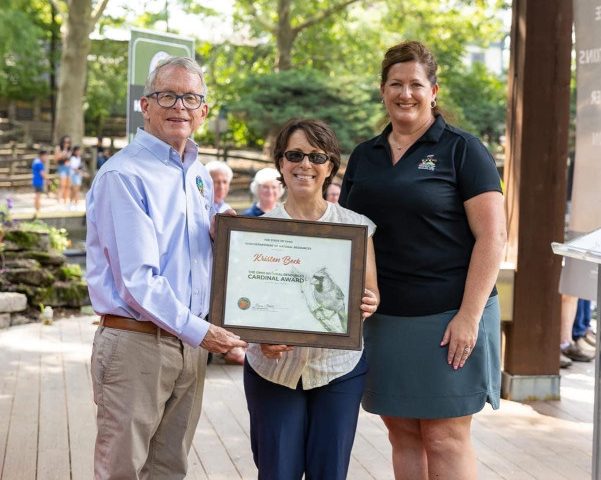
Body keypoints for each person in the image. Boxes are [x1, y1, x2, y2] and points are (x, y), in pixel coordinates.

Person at [339, 40, 506, 480]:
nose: (405, 93)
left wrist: (469, 316)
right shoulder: (363, 156)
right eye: (396, 83)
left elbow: (493, 236)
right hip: (386, 318)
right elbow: (348, 235)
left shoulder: (462, 150)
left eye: (416, 84)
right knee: (403, 433)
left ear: (433, 90)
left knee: (444, 436)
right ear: (382, 90)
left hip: (450, 316)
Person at [86, 56, 247, 479]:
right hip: (137, 343)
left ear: (204, 111)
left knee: (169, 469)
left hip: (188, 345)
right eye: (167, 95)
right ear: (146, 105)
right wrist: (203, 331)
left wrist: (234, 231)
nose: (179, 105)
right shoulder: (125, 175)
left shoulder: (195, 173)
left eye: (191, 97)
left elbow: (214, 235)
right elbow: (138, 281)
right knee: (122, 469)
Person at [244, 118, 380, 479]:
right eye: (294, 155)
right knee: (277, 472)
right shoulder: (256, 233)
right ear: (280, 164)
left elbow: (371, 294)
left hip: (338, 369)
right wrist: (259, 335)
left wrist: (369, 304)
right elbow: (243, 304)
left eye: (316, 156)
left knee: (329, 473)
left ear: (331, 166)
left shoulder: (356, 228)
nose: (305, 164)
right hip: (272, 370)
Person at [54, 135, 72, 205]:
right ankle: (59, 200)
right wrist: (63, 155)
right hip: (62, 167)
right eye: (65, 142)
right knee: (62, 184)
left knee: (68, 185)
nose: (66, 143)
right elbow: (55, 159)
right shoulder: (58, 148)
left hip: (69, 167)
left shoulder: (70, 149)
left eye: (68, 142)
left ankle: (65, 200)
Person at [31, 149, 47, 216]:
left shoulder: (35, 161)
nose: (46, 158)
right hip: (38, 181)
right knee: (38, 196)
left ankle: (37, 209)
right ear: (42, 155)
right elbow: (42, 173)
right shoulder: (39, 163)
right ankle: (38, 210)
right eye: (45, 156)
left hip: (35, 180)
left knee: (37, 195)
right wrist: (47, 179)